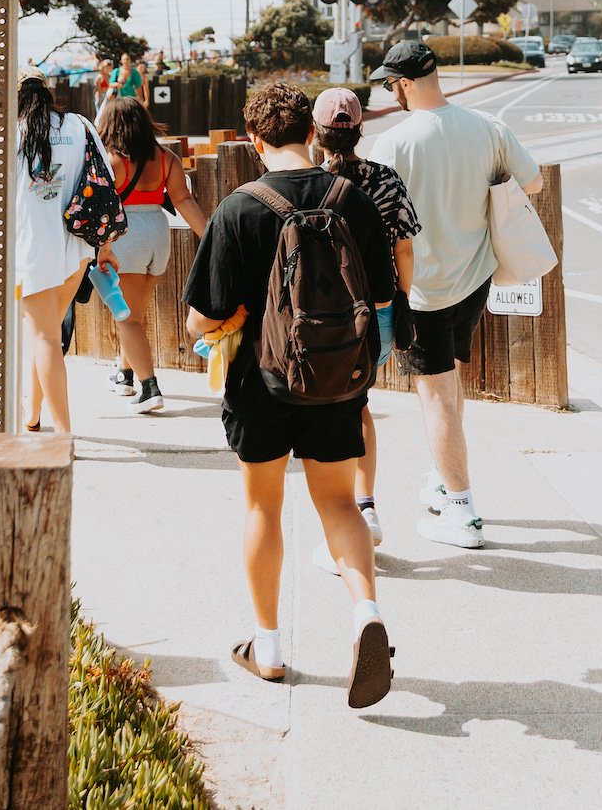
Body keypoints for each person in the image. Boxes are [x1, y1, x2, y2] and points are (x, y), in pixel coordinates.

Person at [184, 83, 397, 709]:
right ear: (309, 128)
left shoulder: (239, 208)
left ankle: (269, 646)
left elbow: (202, 318)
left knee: (263, 509)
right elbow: (381, 300)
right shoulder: (352, 201)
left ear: (253, 141)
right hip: (336, 380)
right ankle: (365, 612)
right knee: (339, 504)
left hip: (260, 383)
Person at [369, 40, 542, 550]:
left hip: (422, 290)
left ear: (401, 84)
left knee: (436, 398)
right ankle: (444, 480)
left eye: (390, 84)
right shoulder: (489, 128)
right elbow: (530, 185)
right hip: (475, 279)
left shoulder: (393, 144)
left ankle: (463, 512)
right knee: (450, 383)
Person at [0, 67, 118, 434]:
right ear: (46, 91)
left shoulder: (9, 134)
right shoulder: (80, 125)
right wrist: (104, 245)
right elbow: (106, 182)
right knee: (48, 334)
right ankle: (33, 414)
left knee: (45, 337)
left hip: (32, 252)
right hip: (77, 247)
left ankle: (63, 434)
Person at [310, 87, 420, 566]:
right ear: (359, 130)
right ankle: (365, 504)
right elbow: (405, 248)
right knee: (359, 403)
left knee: (324, 411)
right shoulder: (385, 181)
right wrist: (404, 299)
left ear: (316, 132)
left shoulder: (307, 182)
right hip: (376, 311)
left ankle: (340, 524)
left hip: (318, 314)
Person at [96, 98, 208, 414]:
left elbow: (103, 208)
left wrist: (101, 244)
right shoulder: (166, 159)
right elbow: (183, 200)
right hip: (158, 233)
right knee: (136, 312)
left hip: (125, 235)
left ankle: (149, 387)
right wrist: (211, 237)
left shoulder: (113, 162)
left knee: (126, 316)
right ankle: (124, 373)